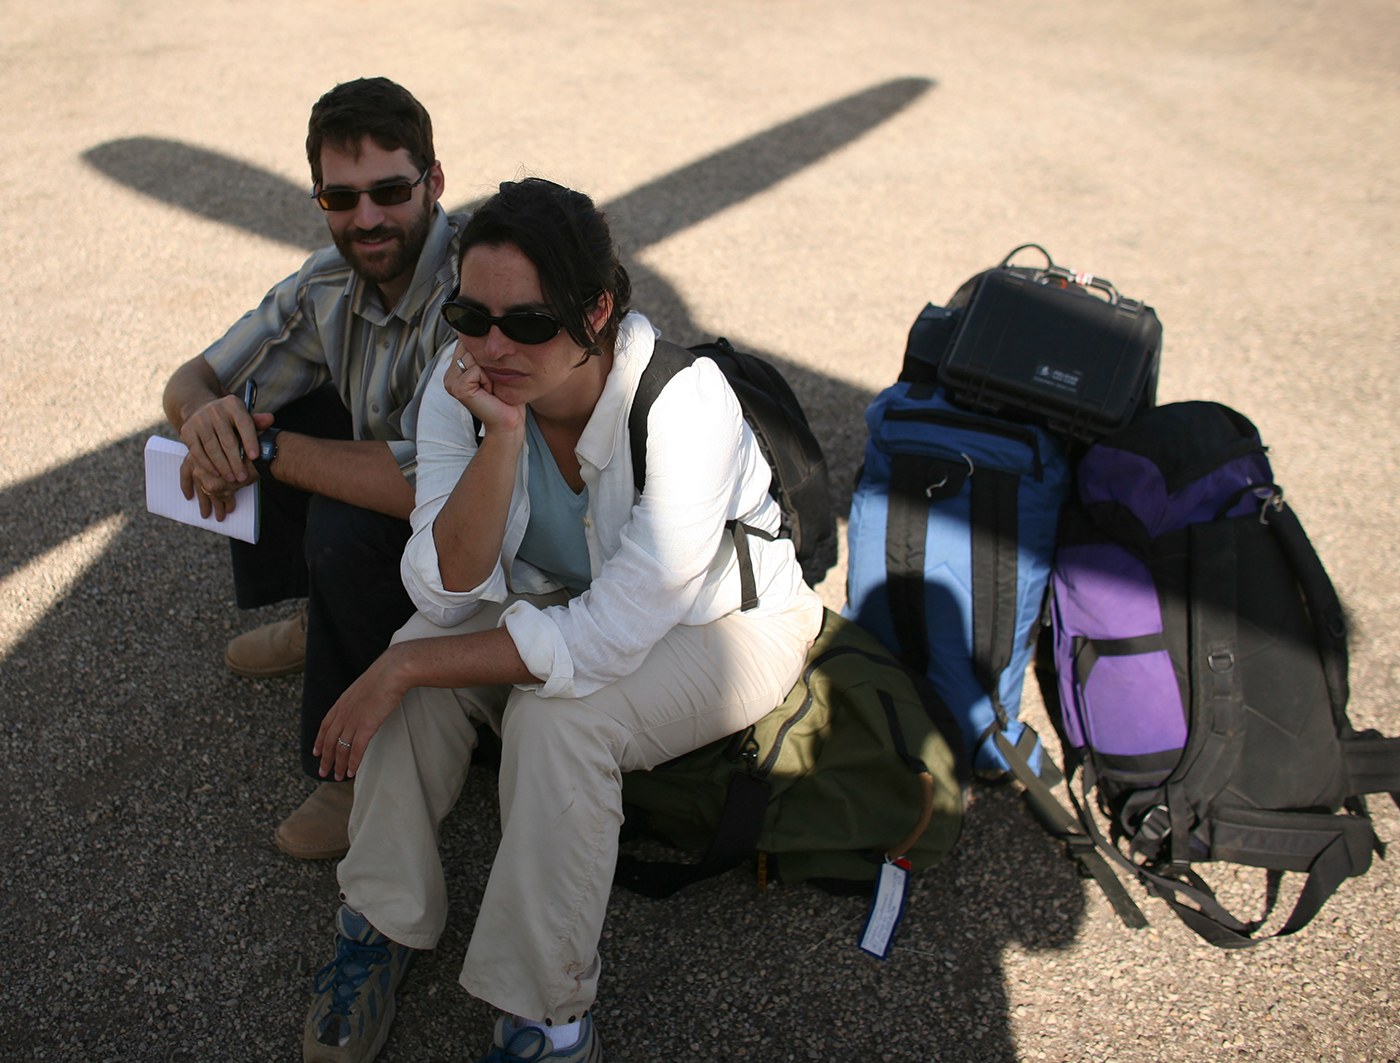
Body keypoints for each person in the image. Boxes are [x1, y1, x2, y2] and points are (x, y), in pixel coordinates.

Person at [299, 178, 825, 1063]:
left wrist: (402, 668)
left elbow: (615, 634)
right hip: (552, 595)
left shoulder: (685, 403)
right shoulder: (461, 383)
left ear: (598, 310)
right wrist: (500, 440)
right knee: (419, 655)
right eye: (471, 314)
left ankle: (547, 1014)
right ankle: (378, 922)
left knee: (556, 718)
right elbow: (443, 589)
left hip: (720, 624)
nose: (494, 345)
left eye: (529, 324)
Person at [162, 78, 466, 861]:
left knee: (340, 509)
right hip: (405, 486)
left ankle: (357, 768)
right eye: (341, 198)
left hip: (481, 537)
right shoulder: (325, 281)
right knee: (257, 411)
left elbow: (431, 485)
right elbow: (194, 379)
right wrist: (207, 421)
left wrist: (264, 451)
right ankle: (322, 615)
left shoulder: (475, 296)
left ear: (434, 182)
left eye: (390, 191)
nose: (366, 218)